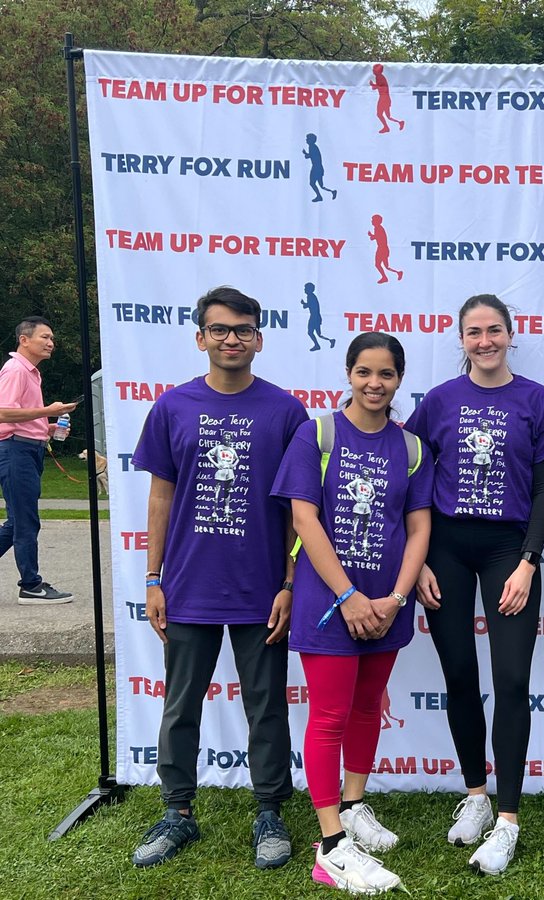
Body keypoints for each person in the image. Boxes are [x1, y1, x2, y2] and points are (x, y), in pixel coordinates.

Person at [130, 287, 308, 869]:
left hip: (261, 588)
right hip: (187, 585)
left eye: (244, 328)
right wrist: (153, 577)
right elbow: (160, 496)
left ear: (259, 338)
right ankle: (177, 811)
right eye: (221, 329)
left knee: (266, 706)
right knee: (180, 705)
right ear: (200, 337)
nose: (232, 338)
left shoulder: (285, 411)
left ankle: (269, 813)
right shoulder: (172, 407)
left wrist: (288, 582)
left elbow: (297, 507)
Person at [272, 332, 431, 894]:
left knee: (367, 710)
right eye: (364, 372)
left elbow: (418, 528)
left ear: (398, 380)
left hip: (386, 606)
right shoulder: (316, 434)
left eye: (385, 374)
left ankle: (355, 804)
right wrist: (348, 596)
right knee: (331, 716)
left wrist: (394, 598)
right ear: (348, 373)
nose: (374, 383)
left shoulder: (410, 447)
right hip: (328, 605)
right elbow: (304, 520)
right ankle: (332, 845)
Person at [408, 294, 544, 876]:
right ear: (461, 339)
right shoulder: (441, 401)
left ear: (511, 335)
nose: (485, 341)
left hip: (507, 550)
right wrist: (417, 561)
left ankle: (509, 820)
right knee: (460, 676)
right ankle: (475, 794)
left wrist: (529, 560)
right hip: (445, 548)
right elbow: (415, 484)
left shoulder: (537, 401)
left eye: (494, 330)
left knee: (512, 678)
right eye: (475, 332)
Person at [0, 316, 78, 604]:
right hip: (15, 451)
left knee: (16, 521)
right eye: (44, 337)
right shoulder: (16, 370)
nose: (50, 343)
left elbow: (21, 418)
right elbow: (3, 413)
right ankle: (30, 586)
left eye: (52, 339)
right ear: (24, 340)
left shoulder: (31, 372)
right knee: (25, 522)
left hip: (27, 447)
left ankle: (31, 583)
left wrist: (49, 426)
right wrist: (49, 409)